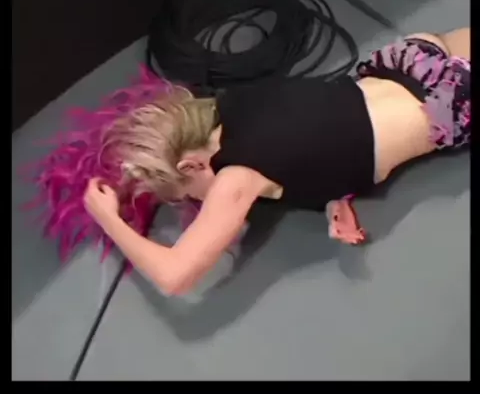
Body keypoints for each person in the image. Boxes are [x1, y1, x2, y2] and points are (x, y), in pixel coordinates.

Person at [77, 28, 470, 297]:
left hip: (450, 103)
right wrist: (332, 196)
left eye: (190, 194)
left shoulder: (236, 176)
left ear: (191, 167)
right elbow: (312, 130)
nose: (199, 203)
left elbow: (174, 277)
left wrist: (107, 218)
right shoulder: (234, 101)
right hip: (407, 61)